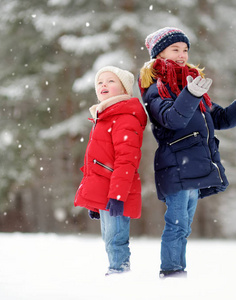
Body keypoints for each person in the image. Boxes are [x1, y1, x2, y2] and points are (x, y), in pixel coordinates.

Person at [139, 27, 236, 278]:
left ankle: (177, 273)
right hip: (175, 165)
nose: (182, 54)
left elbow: (223, 118)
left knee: (184, 227)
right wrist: (190, 94)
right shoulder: (156, 88)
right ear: (159, 54)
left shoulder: (190, 84)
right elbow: (172, 118)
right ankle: (171, 275)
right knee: (177, 226)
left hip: (193, 166)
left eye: (185, 49)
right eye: (175, 49)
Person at [75, 66, 147, 276]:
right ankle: (116, 271)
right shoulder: (105, 116)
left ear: (124, 88)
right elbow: (96, 163)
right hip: (106, 191)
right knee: (109, 238)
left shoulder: (124, 117)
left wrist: (117, 195)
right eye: (100, 82)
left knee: (116, 238)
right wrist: (95, 201)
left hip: (116, 192)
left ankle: (119, 272)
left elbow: (127, 160)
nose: (103, 85)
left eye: (110, 81)